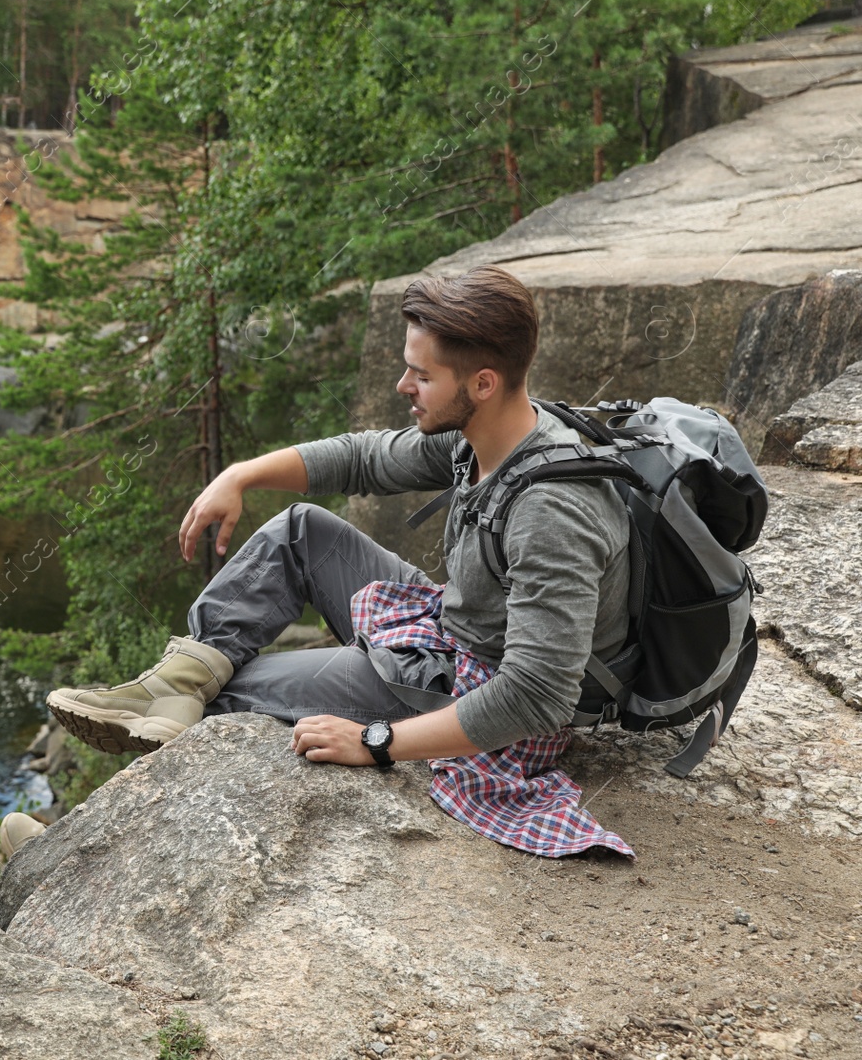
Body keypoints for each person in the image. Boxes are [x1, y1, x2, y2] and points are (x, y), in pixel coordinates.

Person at [44, 263, 632, 782]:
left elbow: (538, 695)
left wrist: (377, 742)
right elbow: (364, 457)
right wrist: (242, 474)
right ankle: (176, 682)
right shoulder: (489, 431)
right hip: (457, 625)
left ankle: (88, 845)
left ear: (483, 383)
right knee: (300, 530)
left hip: (480, 687)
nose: (404, 386)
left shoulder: (552, 511)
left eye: (421, 377)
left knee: (238, 692)